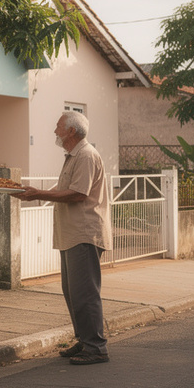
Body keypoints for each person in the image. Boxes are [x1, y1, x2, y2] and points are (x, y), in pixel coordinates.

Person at [17, 111, 113, 364]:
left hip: (84, 233)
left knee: (85, 294)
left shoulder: (86, 155)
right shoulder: (74, 156)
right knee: (72, 293)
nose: (55, 131)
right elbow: (65, 190)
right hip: (72, 234)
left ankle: (96, 347)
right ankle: (85, 341)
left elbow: (78, 193)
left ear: (71, 131)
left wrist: (39, 194)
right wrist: (32, 193)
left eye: (58, 126)